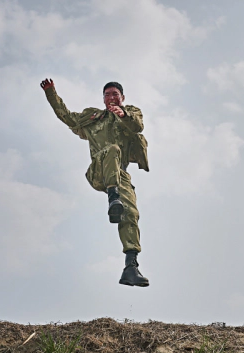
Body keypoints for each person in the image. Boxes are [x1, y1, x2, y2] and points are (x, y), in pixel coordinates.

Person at [40, 78, 150, 287]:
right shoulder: (94, 118)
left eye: (115, 95)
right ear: (103, 99)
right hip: (99, 169)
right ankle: (113, 196)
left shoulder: (131, 113)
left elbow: (138, 125)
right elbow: (66, 116)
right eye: (107, 95)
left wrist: (123, 114)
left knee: (131, 214)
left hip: (121, 174)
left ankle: (131, 267)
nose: (111, 98)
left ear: (122, 98)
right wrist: (51, 92)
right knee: (112, 150)